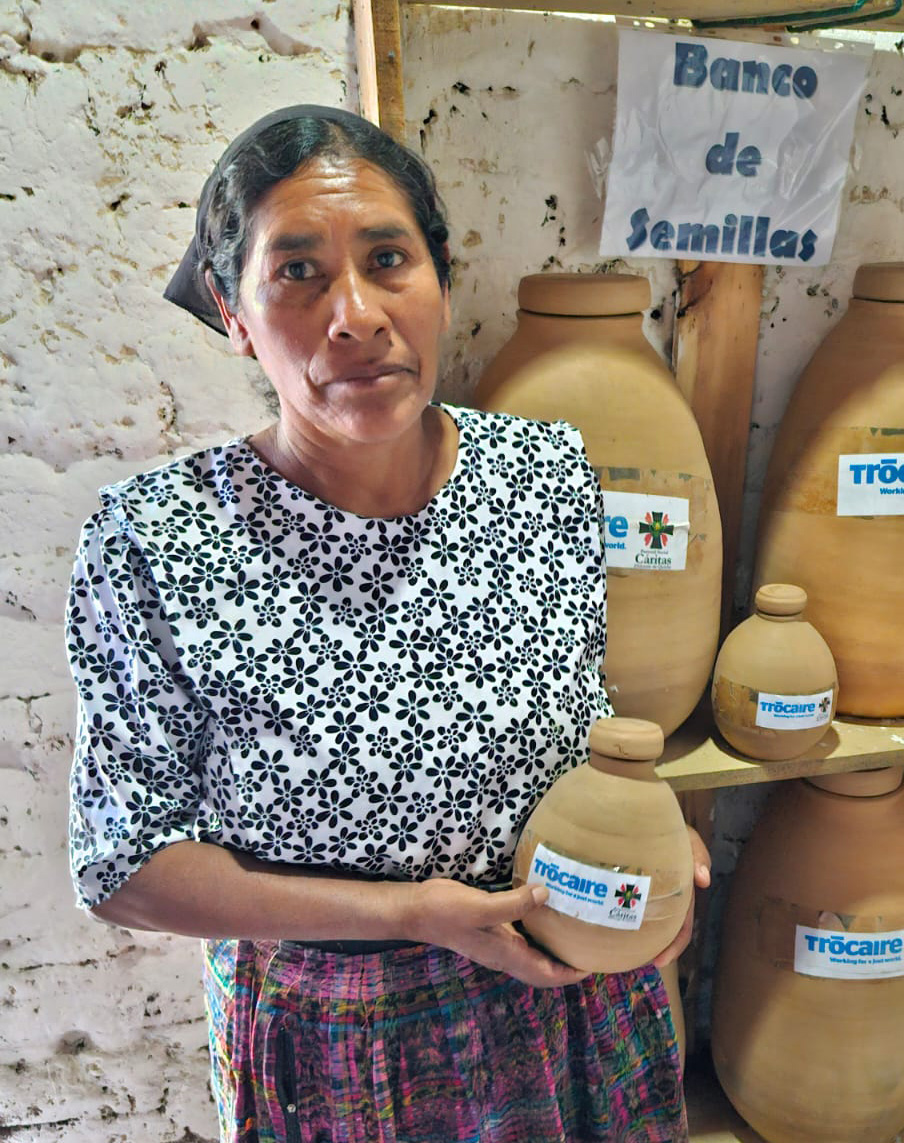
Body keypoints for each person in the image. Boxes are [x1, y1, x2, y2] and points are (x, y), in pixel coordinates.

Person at [65, 104, 709, 1143]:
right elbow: (123, 865)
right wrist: (415, 912)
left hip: (568, 996)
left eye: (387, 258)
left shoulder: (541, 475)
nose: (355, 314)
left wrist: (635, 822)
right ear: (234, 313)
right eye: (298, 273)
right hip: (342, 1044)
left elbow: (573, 715)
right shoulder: (156, 540)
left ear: (441, 278)